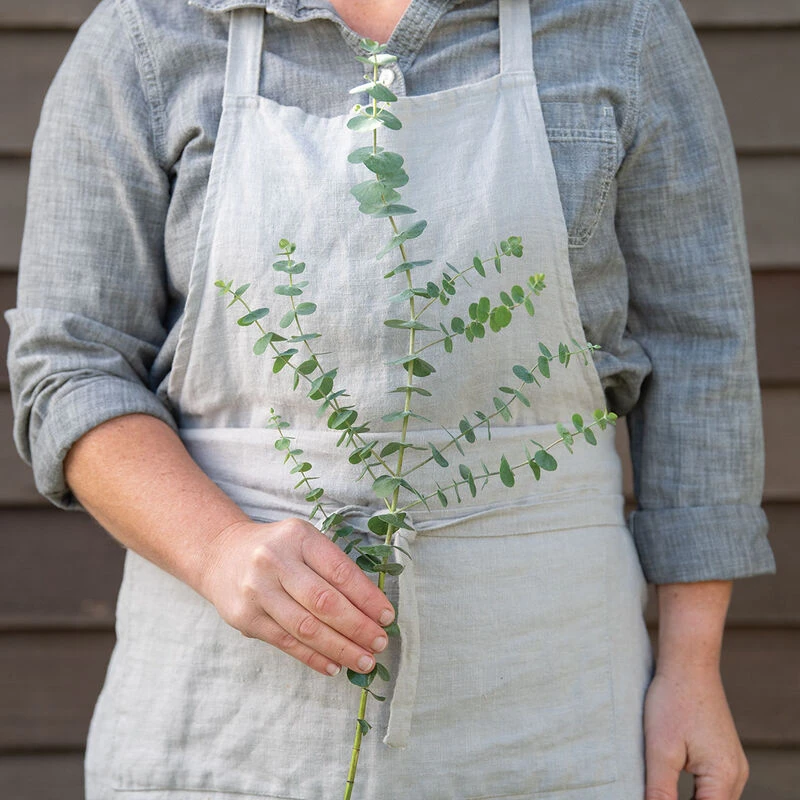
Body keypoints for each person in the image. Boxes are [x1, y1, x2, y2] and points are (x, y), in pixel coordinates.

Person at [6, 0, 776, 798]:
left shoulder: (623, 24)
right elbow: (71, 363)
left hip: (550, 699)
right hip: (226, 715)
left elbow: (698, 344)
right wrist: (215, 548)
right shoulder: (147, 34)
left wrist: (693, 665)